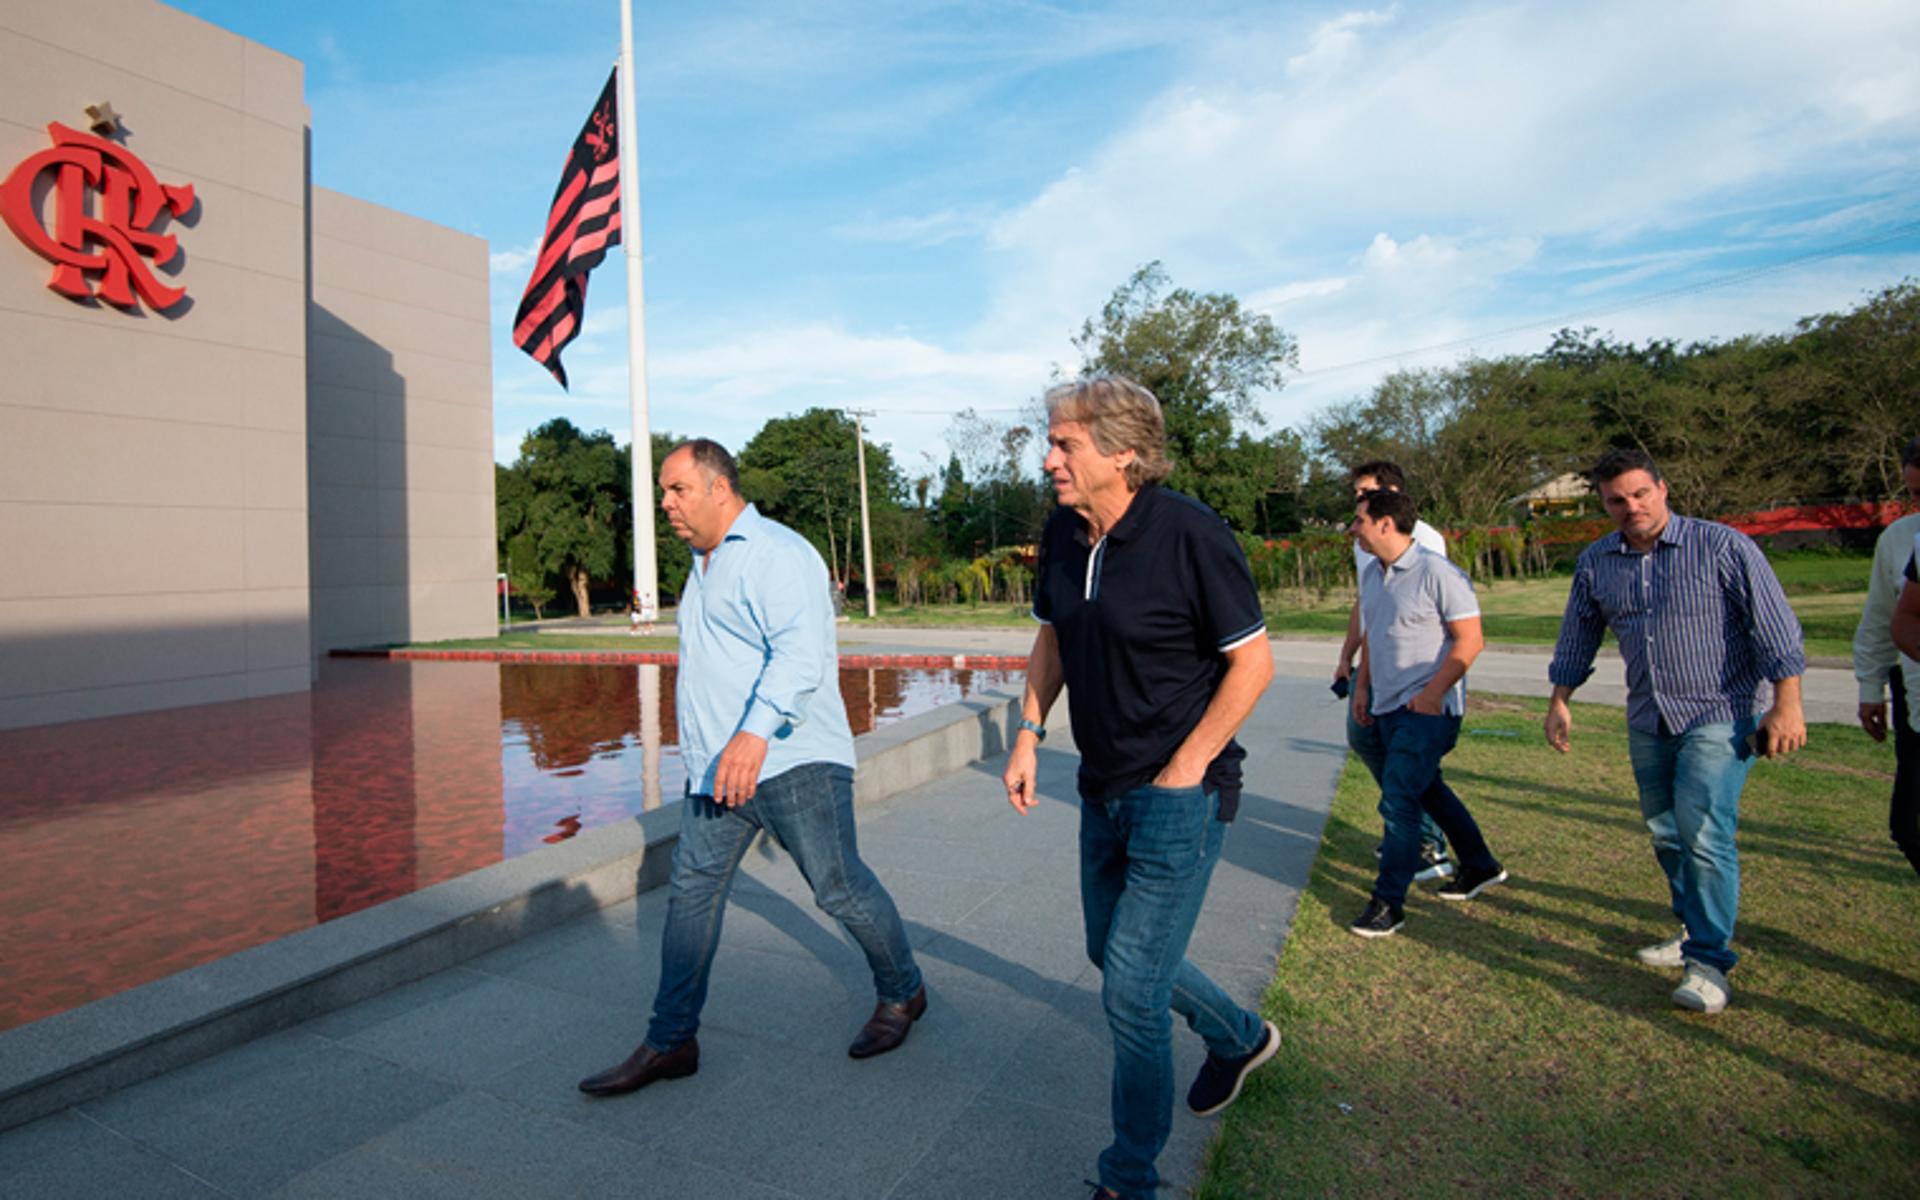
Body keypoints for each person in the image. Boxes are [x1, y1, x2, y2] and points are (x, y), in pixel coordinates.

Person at [1002, 377, 1279, 1200]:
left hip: (1178, 795)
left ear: (1125, 455)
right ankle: (1238, 1035)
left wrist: (1187, 767)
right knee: (1111, 954)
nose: (1048, 458)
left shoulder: (1190, 534)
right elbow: (1053, 634)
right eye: (1050, 441)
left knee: (1130, 990)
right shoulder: (1062, 533)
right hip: (1099, 786)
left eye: (1066, 444)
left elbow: (1252, 664)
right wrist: (1027, 732)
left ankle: (1130, 1178)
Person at [579, 439, 925, 1099]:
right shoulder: (701, 564)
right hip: (717, 773)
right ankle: (670, 1039)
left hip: (792, 760)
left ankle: (904, 993)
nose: (666, 504)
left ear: (718, 487)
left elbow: (800, 657)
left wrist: (750, 735)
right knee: (691, 896)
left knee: (839, 889)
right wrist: (710, 753)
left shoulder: (776, 554)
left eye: (677, 489)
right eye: (663, 491)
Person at [1545, 447, 1806, 1015]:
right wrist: (1559, 699)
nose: (1631, 506)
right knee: (1666, 833)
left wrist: (1787, 703)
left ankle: (1709, 965)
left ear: (1663, 489)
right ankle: (1692, 929)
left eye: (1640, 493)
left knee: (1705, 834)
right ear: (1605, 504)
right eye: (1617, 499)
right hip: (1649, 718)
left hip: (1722, 712)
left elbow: (1776, 627)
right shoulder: (1597, 562)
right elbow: (1578, 635)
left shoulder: (1723, 546)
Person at [1346, 489, 1507, 938]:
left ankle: (1387, 902)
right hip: (1387, 705)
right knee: (1427, 790)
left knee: (1398, 800)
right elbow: (1376, 639)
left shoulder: (1438, 573)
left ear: (1384, 523)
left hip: (1428, 711)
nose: (1353, 528)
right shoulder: (1374, 576)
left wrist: (1434, 694)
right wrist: (1362, 689)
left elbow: (1469, 641)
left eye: (1359, 519)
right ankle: (1479, 865)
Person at [1335, 461, 1456, 883]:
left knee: (1411, 756)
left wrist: (1432, 688)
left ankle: (1426, 842)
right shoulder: (1363, 540)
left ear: (1390, 495)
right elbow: (1366, 603)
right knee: (1366, 738)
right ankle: (1410, 827)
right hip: (1374, 660)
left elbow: (1426, 612)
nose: (1356, 505)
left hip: (1412, 671)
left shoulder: (1424, 542)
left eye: (1363, 494)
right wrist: (1347, 657)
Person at [1852, 436, 1920, 878]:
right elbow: (1881, 618)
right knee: (1907, 826)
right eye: (1915, 493)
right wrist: (1870, 688)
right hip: (1913, 697)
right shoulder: (1899, 538)